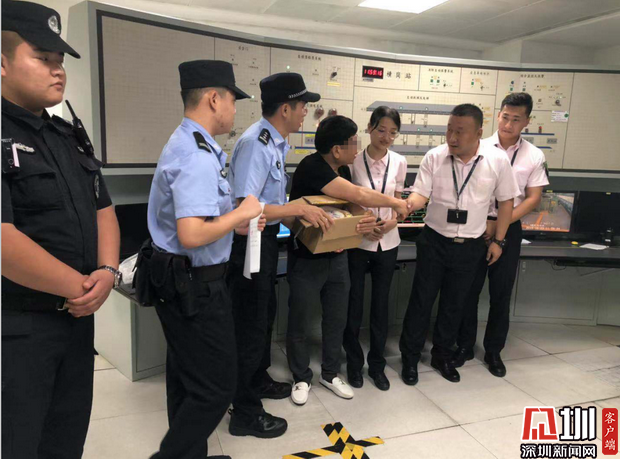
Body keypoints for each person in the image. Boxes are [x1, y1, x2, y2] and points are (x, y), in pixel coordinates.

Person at [1, 1, 121, 457]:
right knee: (18, 441)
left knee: (66, 436)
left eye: (60, 61)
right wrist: (82, 287)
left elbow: (102, 207)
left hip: (75, 321)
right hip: (18, 327)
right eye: (43, 58)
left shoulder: (66, 135)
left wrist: (107, 271)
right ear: (2, 63)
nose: (58, 70)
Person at [145, 60, 264, 459]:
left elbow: (201, 222)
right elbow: (192, 234)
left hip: (185, 281)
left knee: (188, 380)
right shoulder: (196, 155)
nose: (234, 109)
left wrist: (233, 224)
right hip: (195, 287)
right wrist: (242, 212)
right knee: (216, 389)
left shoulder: (190, 143)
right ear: (214, 99)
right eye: (232, 100)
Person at [226, 72, 334, 438]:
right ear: (285, 108)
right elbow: (245, 208)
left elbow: (266, 202)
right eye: (303, 105)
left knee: (264, 315)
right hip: (250, 244)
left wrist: (295, 213)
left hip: (267, 241)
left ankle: (257, 380)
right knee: (250, 325)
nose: (306, 112)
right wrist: (296, 209)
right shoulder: (256, 144)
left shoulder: (274, 143)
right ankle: (244, 412)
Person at [286, 115, 410, 406]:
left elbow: (352, 204)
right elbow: (358, 193)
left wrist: (366, 221)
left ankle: (330, 374)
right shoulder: (312, 167)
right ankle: (301, 377)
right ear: (336, 149)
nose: (357, 148)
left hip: (338, 256)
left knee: (336, 319)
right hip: (307, 259)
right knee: (300, 319)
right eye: (353, 143)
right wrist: (395, 202)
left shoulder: (340, 167)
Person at [398, 104, 519, 386]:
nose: (452, 137)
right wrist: (406, 205)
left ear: (478, 133)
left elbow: (506, 202)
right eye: (449, 130)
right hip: (434, 241)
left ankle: (441, 355)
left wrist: (499, 241)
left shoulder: (497, 160)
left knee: (455, 304)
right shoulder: (434, 157)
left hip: (471, 245)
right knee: (421, 301)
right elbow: (420, 194)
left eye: (460, 132)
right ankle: (410, 357)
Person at [454, 93, 549, 377]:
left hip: (510, 226)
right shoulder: (478, 146)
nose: (508, 124)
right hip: (476, 226)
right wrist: (485, 223)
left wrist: (502, 225)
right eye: (505, 117)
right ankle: (464, 345)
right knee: (468, 290)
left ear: (527, 121)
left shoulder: (534, 155)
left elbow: (533, 198)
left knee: (501, 292)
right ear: (498, 115)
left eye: (516, 119)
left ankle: (493, 351)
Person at [343, 106, 408, 392]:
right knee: (353, 305)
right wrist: (366, 223)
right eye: (381, 130)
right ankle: (354, 365)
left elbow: (399, 202)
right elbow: (347, 201)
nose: (386, 137)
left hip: (388, 242)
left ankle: (377, 366)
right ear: (369, 127)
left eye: (393, 132)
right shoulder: (353, 162)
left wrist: (393, 222)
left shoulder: (400, 162)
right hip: (359, 241)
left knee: (381, 306)